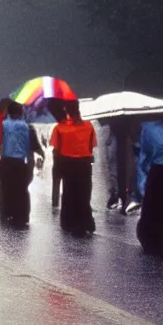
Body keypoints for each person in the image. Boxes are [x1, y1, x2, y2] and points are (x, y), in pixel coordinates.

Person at [50, 100, 96, 235]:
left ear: (66, 110)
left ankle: (69, 222)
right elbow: (91, 146)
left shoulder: (60, 128)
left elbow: (56, 149)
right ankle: (86, 222)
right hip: (85, 165)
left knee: (69, 193)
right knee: (84, 194)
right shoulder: (89, 126)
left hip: (68, 164)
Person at [135, 119, 163, 257]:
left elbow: (144, 155)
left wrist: (142, 182)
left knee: (152, 205)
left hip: (159, 169)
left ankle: (151, 241)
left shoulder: (147, 127)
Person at [0, 101, 32, 228]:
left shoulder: (3, 125)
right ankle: (21, 216)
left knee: (5, 190)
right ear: (20, 112)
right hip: (20, 163)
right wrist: (30, 166)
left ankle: (6, 213)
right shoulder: (26, 126)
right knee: (21, 191)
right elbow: (28, 147)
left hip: (6, 162)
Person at [48, 99, 67, 208]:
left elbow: (53, 144)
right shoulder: (71, 127)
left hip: (58, 159)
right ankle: (65, 203)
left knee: (56, 183)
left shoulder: (57, 128)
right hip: (68, 160)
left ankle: (55, 204)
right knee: (66, 183)